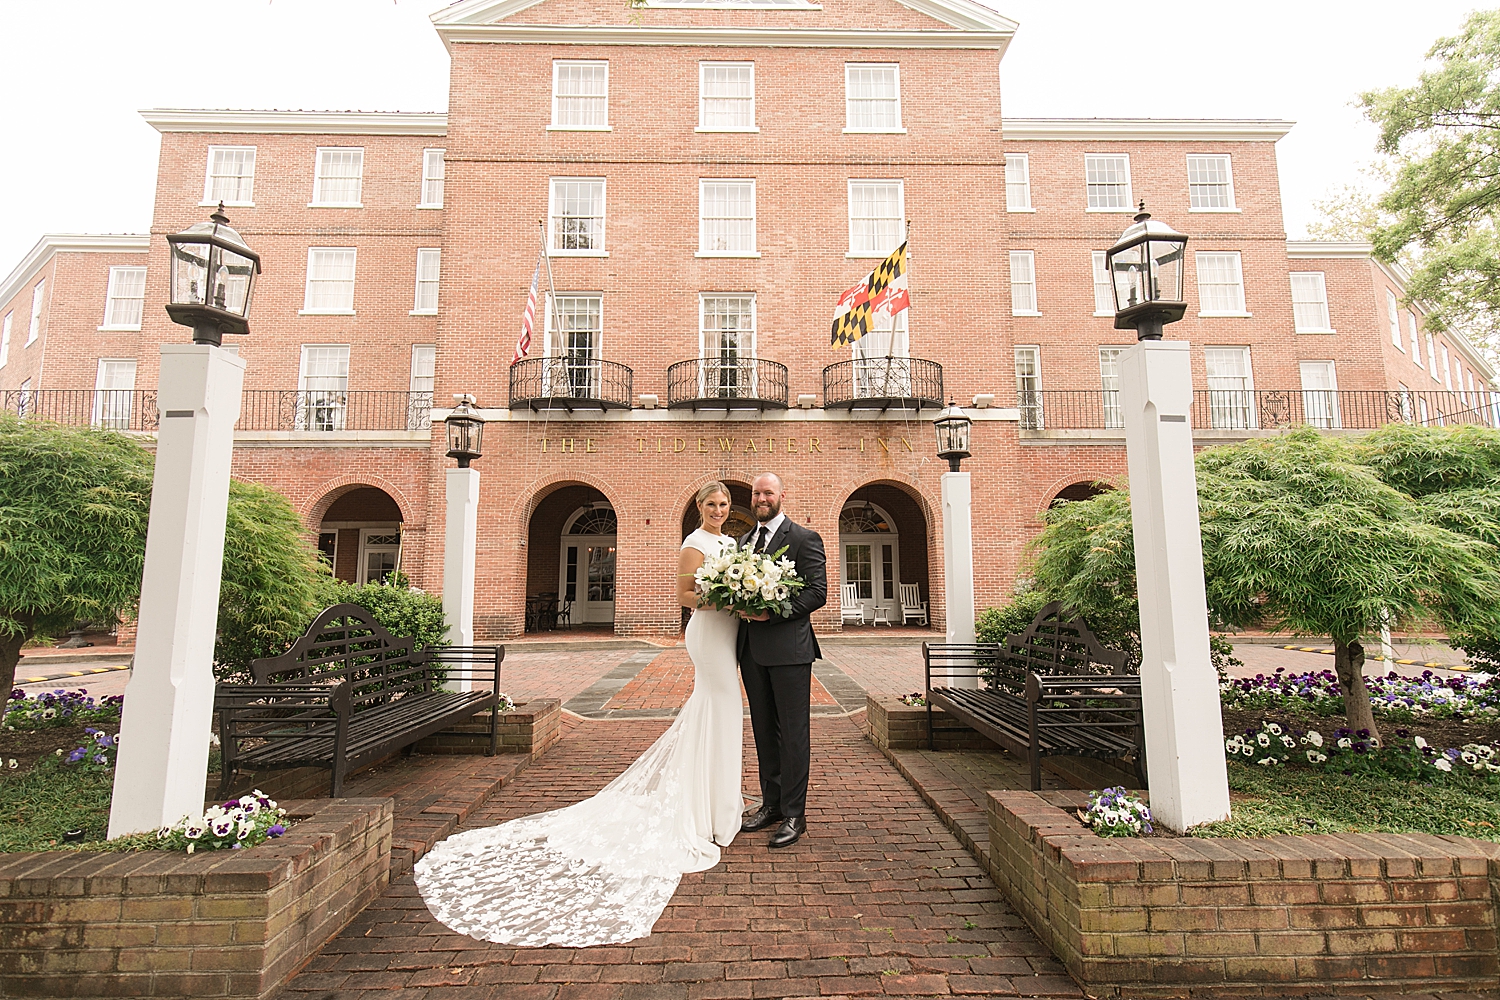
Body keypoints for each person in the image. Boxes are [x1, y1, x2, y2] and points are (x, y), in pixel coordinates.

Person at [413, 482, 744, 947]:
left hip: (729, 632)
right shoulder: (693, 543)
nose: (717, 510)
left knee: (722, 711)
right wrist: (727, 599)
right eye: (710, 504)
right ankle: (706, 806)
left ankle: (716, 800)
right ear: (698, 507)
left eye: (723, 504)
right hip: (709, 631)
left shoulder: (730, 543)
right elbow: (686, 596)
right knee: (720, 703)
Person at [736, 472, 828, 848]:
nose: (761, 498)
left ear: (780, 496)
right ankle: (771, 804)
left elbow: (817, 593)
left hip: (790, 650)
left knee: (793, 734)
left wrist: (772, 613)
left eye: (767, 493)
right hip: (751, 652)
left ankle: (795, 813)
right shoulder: (745, 541)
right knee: (763, 732)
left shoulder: (804, 538)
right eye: (756, 493)